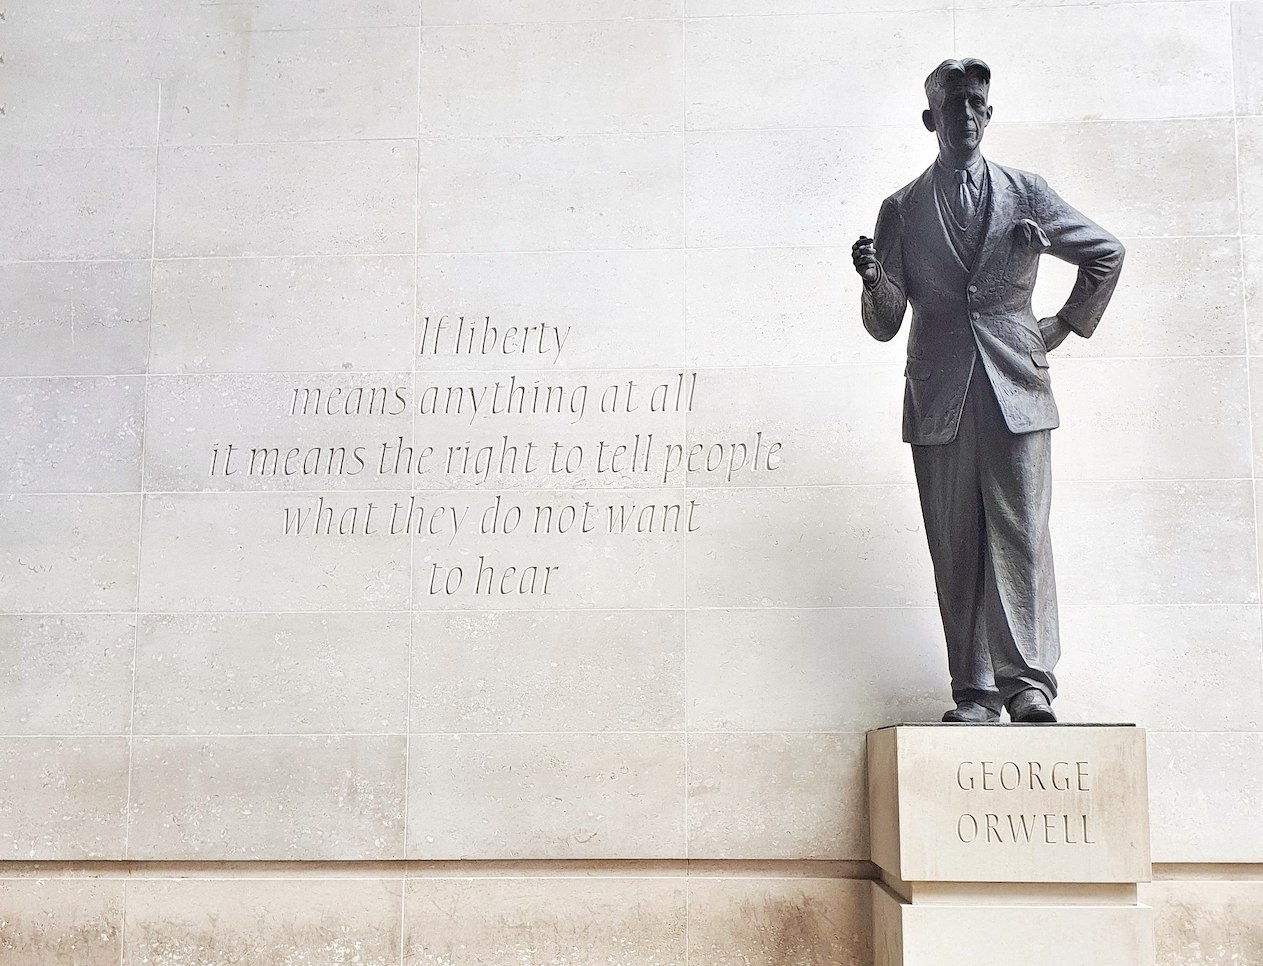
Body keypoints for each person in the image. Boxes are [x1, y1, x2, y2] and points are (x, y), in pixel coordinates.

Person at [851, 58, 1124, 724]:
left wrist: (1060, 325)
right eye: (953, 106)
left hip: (1016, 386)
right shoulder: (901, 209)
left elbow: (1105, 252)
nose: (966, 115)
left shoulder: (1025, 192)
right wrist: (871, 281)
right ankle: (973, 691)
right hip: (939, 393)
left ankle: (1027, 683)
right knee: (956, 541)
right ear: (930, 120)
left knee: (1021, 532)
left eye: (976, 103)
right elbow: (884, 324)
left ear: (989, 114)